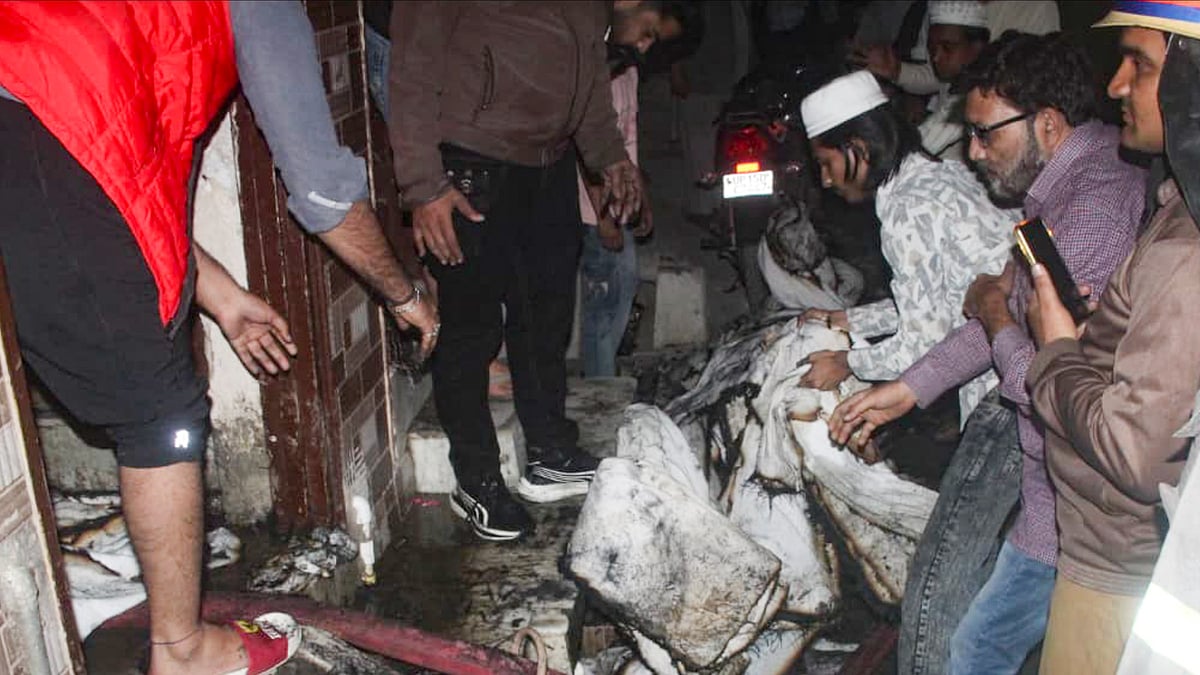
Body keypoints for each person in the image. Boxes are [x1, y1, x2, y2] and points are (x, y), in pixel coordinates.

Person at [0, 2, 438, 673]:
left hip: (41, 108)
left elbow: (129, 179)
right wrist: (404, 295)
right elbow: (323, 194)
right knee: (161, 415)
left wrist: (223, 296)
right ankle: (181, 651)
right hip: (37, 110)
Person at [829, 32, 1145, 675]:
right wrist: (909, 389)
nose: (972, 152)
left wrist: (995, 312)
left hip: (1085, 501)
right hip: (1055, 489)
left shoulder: (1092, 215)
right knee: (983, 643)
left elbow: (1050, 383)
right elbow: (1000, 312)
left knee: (969, 633)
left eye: (984, 134)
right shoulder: (1063, 192)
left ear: (1046, 124)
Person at [389, 2, 646, 540]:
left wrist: (609, 156)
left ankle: (549, 451)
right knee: (472, 329)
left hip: (551, 164)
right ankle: (476, 479)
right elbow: (412, 67)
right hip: (472, 163)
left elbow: (588, 70)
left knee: (546, 316)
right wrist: (423, 186)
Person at [1025, 5, 1200, 672]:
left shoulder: (1186, 247)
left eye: (1141, 65)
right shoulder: (1178, 205)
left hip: (1118, 577)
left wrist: (1056, 348)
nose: (1116, 85)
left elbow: (1139, 453)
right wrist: (1111, 330)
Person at [795, 70, 1014, 409]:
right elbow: (935, 304)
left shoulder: (908, 209)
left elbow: (923, 344)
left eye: (826, 163)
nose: (825, 179)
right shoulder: (942, 173)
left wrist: (845, 363)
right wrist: (847, 320)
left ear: (859, 148)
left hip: (1001, 382)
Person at [580, 1, 694, 378]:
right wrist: (603, 217)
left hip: (618, 204)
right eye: (648, 33)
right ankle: (599, 383)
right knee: (602, 301)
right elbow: (584, 149)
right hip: (594, 211)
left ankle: (604, 375)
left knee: (624, 286)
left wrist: (640, 197)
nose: (646, 45)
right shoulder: (597, 68)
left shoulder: (626, 68)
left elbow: (627, 142)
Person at [855, 0, 1059, 98]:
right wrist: (897, 71)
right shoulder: (944, 5)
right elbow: (939, 76)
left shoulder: (1037, 6)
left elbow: (1042, 82)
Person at [918, 1, 990, 162]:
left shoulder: (980, 95)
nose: (936, 57)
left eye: (947, 48)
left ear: (977, 47)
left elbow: (921, 147)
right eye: (932, 48)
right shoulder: (958, 79)